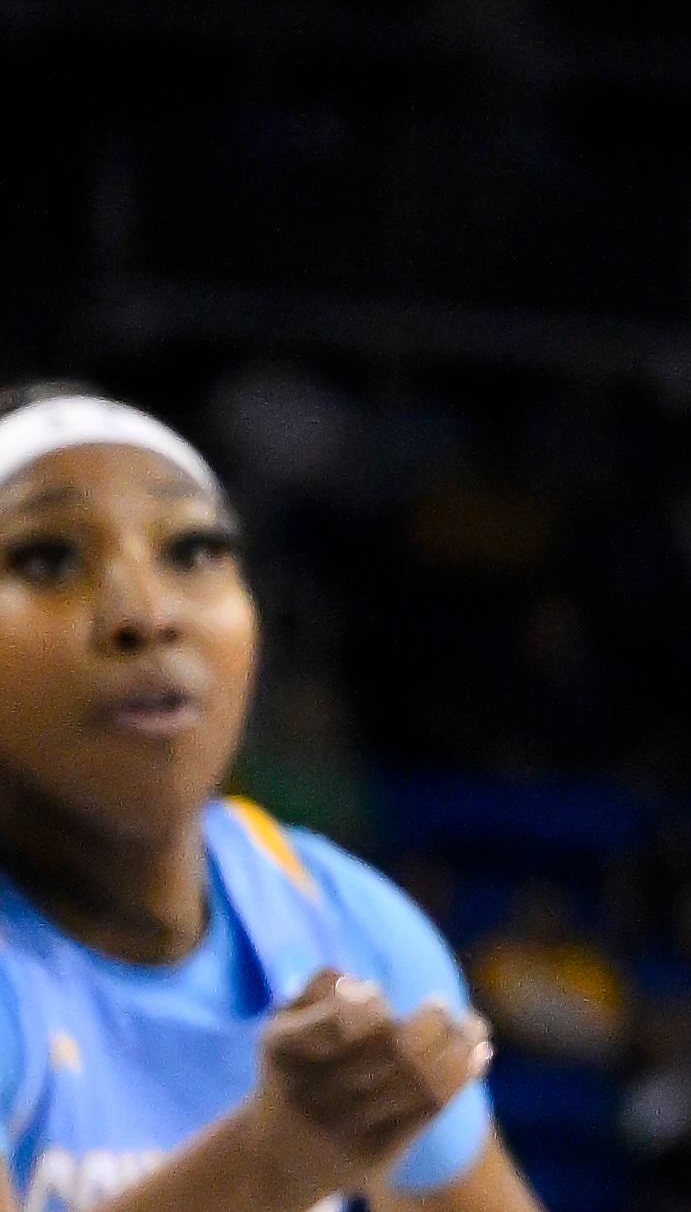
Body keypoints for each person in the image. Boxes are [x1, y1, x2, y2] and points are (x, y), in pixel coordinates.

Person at [0, 385, 541, 1212]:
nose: (148, 614)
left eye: (192, 549)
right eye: (46, 558)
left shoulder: (345, 920)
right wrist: (272, 1161)